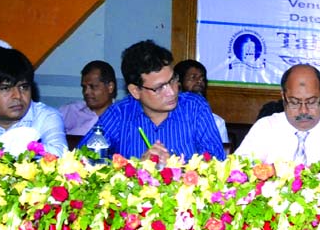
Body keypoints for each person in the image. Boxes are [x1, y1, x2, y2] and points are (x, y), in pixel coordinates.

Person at [77, 40, 225, 161]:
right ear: (135, 91)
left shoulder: (194, 107)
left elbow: (216, 161)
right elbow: (82, 161)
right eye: (159, 88)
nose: (171, 91)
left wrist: (177, 169)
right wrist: (135, 170)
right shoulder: (119, 114)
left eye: (173, 80)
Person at [235, 64, 320, 171]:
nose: (303, 110)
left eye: (311, 102)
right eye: (294, 102)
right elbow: (239, 167)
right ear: (283, 97)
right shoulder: (266, 127)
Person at [174, 59, 229, 144]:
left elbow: (221, 151)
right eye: (193, 77)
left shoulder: (216, 122)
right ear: (178, 83)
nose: (200, 81)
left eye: (203, 79)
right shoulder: (166, 118)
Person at [59, 60, 117, 136]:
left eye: (93, 87)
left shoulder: (121, 117)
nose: (86, 92)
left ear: (110, 87)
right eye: (84, 87)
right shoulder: (71, 110)